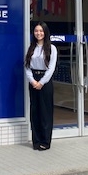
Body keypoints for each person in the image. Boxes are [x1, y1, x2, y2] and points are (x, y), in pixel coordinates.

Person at [24, 21, 57, 151]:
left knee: (45, 111)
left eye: (41, 31)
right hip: (33, 80)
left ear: (45, 32)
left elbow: (51, 68)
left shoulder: (51, 48)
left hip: (45, 82)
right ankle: (36, 140)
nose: (38, 33)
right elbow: (27, 66)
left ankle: (45, 141)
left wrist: (42, 82)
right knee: (35, 111)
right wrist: (32, 81)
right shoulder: (31, 48)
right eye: (36, 31)